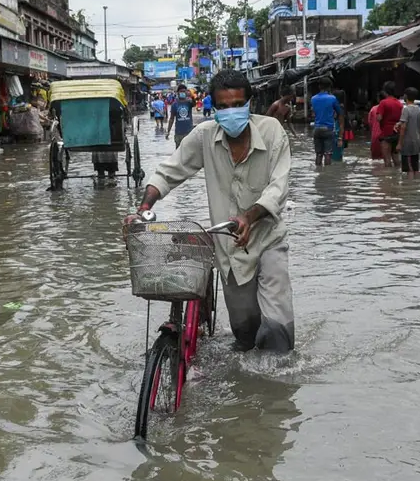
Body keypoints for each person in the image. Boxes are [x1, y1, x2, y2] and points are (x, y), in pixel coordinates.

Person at [126, 69, 294, 352]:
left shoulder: (272, 131)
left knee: (277, 328)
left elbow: (278, 188)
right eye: (224, 107)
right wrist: (143, 208)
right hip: (228, 250)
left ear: (249, 105)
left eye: (238, 105)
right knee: (245, 334)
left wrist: (249, 217)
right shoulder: (204, 136)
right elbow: (169, 172)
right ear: (214, 108)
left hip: (268, 239)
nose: (232, 112)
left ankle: (277, 387)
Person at [310, 78, 343, 167]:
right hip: (328, 128)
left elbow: (313, 113)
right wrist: (340, 134)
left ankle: (319, 172)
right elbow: (340, 113)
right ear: (329, 87)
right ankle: (327, 175)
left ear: (319, 86)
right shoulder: (332, 98)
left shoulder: (313, 99)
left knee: (318, 154)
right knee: (328, 153)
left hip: (317, 129)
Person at [371, 81, 404, 167]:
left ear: (385, 91)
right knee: (396, 159)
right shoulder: (399, 104)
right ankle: (398, 177)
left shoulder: (383, 103)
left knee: (387, 160)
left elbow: (379, 118)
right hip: (396, 133)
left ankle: (388, 178)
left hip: (386, 133)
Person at [397, 87, 420, 178]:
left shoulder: (406, 109)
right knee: (415, 167)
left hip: (407, 142)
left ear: (405, 96)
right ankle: (415, 186)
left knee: (409, 168)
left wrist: (400, 143)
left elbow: (403, 127)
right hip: (416, 141)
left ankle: (409, 188)